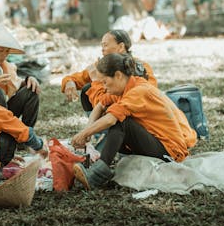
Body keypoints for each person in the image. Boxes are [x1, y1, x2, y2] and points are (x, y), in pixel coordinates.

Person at [71, 53, 197, 190]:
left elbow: (111, 119)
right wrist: (88, 130)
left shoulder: (139, 91)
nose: (104, 87)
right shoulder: (125, 87)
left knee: (121, 121)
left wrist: (83, 134)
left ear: (118, 75)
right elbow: (100, 104)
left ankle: (97, 175)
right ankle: (95, 162)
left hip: (171, 152)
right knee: (113, 113)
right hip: (154, 142)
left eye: (105, 82)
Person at [61, 29, 157, 113]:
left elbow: (150, 96)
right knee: (87, 89)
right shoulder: (102, 65)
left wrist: (96, 80)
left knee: (90, 89)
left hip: (130, 114)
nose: (102, 50)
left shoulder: (142, 68)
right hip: (109, 110)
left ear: (121, 47)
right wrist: (70, 82)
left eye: (105, 45)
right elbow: (77, 77)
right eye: (101, 46)